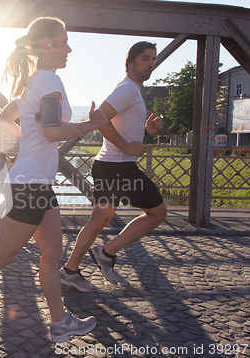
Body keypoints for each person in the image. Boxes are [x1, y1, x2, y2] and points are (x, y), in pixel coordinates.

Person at [0, 17, 109, 352]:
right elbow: (51, 132)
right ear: (47, 44)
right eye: (64, 41)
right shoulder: (48, 81)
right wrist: (92, 123)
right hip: (29, 186)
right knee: (3, 253)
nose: (69, 48)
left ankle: (60, 323)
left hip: (37, 184)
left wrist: (28, 135)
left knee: (52, 253)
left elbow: (6, 121)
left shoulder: (34, 82)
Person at [60, 41, 165, 292]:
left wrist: (145, 130)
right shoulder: (127, 89)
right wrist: (127, 146)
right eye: (145, 59)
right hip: (119, 166)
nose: (151, 63)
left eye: (153, 59)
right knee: (158, 213)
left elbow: (121, 126)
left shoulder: (132, 91)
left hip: (108, 165)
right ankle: (106, 253)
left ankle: (69, 271)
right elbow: (98, 119)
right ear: (130, 63)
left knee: (99, 219)